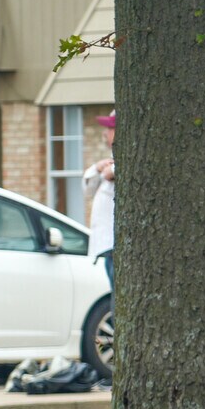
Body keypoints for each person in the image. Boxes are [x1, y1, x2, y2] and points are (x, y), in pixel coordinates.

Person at [83, 113, 117, 283]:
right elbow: (88, 191)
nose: (105, 133)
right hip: (107, 246)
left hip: (115, 245)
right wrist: (98, 168)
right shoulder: (110, 162)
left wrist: (111, 171)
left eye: (110, 128)